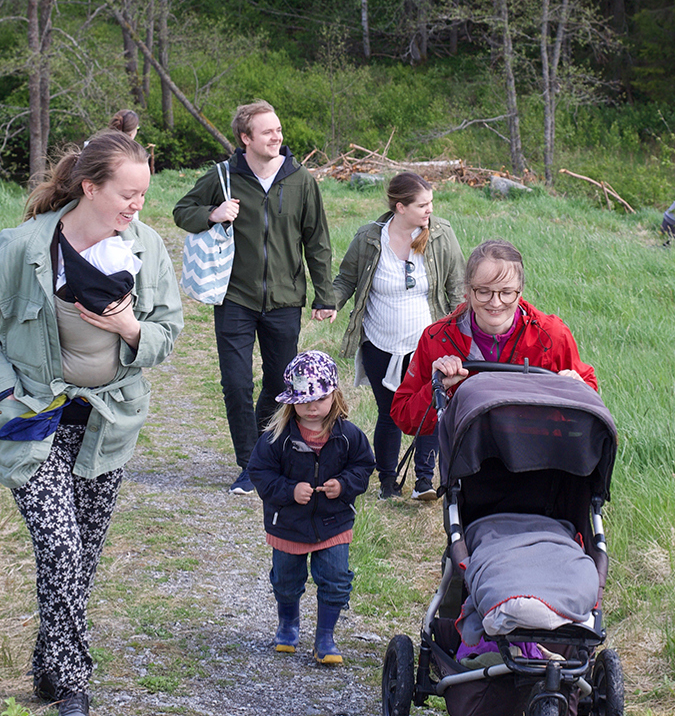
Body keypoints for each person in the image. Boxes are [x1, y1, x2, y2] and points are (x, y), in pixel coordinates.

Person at [0, 132, 183, 716]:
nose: (137, 205)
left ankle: (47, 663)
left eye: (143, 195)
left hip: (107, 422)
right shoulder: (27, 247)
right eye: (127, 194)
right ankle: (74, 688)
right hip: (32, 417)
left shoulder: (147, 247)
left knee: (80, 559)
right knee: (60, 546)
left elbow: (169, 331)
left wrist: (133, 328)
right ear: (90, 187)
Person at [172, 102, 337, 495]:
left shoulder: (301, 180)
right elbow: (182, 211)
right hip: (235, 299)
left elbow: (317, 242)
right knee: (235, 383)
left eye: (278, 130)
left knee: (281, 383)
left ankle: (266, 450)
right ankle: (248, 464)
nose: (277, 137)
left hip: (284, 300)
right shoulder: (224, 177)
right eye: (268, 132)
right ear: (246, 138)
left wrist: (323, 295)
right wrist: (213, 213)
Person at [332, 172, 465, 500]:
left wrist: (463, 330)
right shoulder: (368, 238)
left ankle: (424, 482)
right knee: (390, 413)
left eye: (431, 203)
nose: (429, 210)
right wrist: (329, 303)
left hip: (426, 344)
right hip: (379, 343)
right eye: (422, 205)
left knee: (431, 409)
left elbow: (457, 287)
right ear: (400, 206)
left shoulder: (440, 235)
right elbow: (346, 279)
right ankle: (388, 484)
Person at [391, 239, 599, 439]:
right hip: (469, 460)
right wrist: (438, 387)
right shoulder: (438, 338)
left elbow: (591, 406)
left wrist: (577, 390)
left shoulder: (552, 336)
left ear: (521, 290)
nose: (496, 303)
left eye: (506, 292)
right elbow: (405, 417)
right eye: (483, 291)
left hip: (538, 458)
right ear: (467, 289)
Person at [247, 351, 376, 665]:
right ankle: (288, 623)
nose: (311, 406)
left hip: (334, 522)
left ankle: (325, 637)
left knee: (335, 578)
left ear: (334, 395)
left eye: (319, 398)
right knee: (286, 580)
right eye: (303, 399)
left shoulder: (349, 436)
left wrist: (344, 485)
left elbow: (364, 467)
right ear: (290, 401)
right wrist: (290, 490)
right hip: (288, 522)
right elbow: (260, 473)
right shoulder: (276, 438)